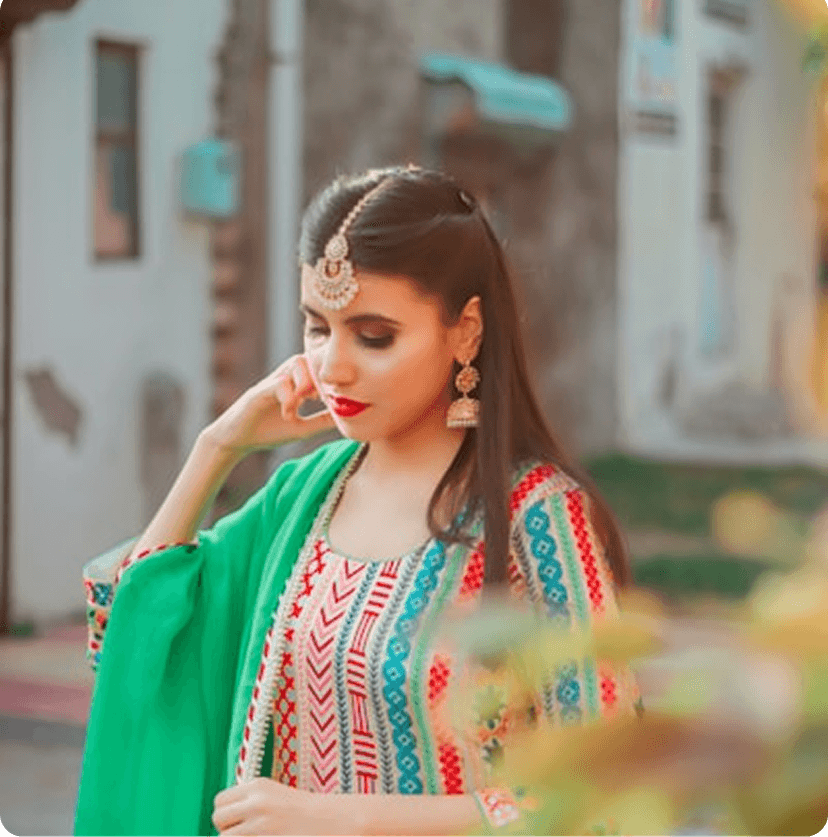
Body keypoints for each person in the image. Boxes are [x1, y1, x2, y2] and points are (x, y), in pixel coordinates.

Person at [76, 165, 641, 837]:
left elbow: (603, 797)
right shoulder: (302, 497)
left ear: (465, 330)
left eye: (374, 335)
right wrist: (217, 447)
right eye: (318, 328)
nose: (333, 366)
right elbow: (127, 642)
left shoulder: (536, 517)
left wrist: (345, 818)